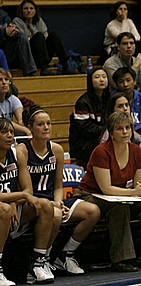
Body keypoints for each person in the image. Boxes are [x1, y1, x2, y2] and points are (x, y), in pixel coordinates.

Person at [75, 111, 141, 272]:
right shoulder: (101, 152)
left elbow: (140, 184)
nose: (125, 132)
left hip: (119, 194)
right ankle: (122, 258)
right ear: (111, 132)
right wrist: (134, 192)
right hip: (91, 195)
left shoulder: (136, 150)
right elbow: (106, 188)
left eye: (127, 128)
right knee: (120, 208)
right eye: (119, 129)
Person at [17, 106, 101, 276]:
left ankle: (65, 255)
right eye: (40, 124)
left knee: (92, 211)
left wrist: (58, 202)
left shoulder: (57, 150)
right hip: (31, 203)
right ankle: (40, 260)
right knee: (54, 214)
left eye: (48, 123)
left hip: (52, 200)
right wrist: (53, 205)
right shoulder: (22, 150)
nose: (46, 127)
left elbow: (57, 186)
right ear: (30, 128)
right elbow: (24, 189)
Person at [0, 115, 57, 284]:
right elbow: (25, 194)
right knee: (3, 210)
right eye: (4, 132)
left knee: (45, 205)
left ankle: (38, 263)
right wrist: (21, 197)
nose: (10, 135)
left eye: (11, 131)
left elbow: (29, 189)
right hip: (3, 209)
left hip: (12, 206)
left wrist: (14, 200)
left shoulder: (16, 154)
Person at [102, 32, 141, 115]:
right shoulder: (110, 63)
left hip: (135, 93)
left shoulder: (136, 60)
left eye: (131, 43)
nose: (129, 46)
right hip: (117, 95)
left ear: (135, 46)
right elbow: (119, 85)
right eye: (125, 44)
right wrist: (135, 66)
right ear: (118, 47)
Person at [12, 0, 72, 75]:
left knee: (53, 36)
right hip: (29, 56)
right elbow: (23, 40)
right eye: (25, 9)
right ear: (21, 11)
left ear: (35, 10)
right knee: (38, 36)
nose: (29, 11)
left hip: (43, 54)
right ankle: (44, 68)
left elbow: (46, 37)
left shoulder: (39, 20)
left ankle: (66, 66)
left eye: (31, 8)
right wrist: (36, 39)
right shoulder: (17, 21)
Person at [70, 68, 110, 164]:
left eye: (104, 77)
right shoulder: (83, 102)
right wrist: (106, 131)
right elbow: (84, 128)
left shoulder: (109, 99)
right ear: (90, 81)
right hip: (84, 143)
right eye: (97, 77)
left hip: (103, 138)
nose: (101, 79)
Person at [111, 66, 141, 142]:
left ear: (134, 81)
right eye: (121, 82)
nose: (125, 84)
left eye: (128, 80)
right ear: (116, 85)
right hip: (125, 136)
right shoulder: (114, 100)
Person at [0, 0, 35, 76]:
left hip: (5, 52)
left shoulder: (5, 17)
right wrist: (4, 32)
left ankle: (30, 71)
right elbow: (4, 33)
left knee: (21, 36)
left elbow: (7, 37)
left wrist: (13, 32)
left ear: (1, 3)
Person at [0, 69, 29, 136]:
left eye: (6, 79)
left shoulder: (13, 99)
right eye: (0, 80)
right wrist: (26, 130)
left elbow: (21, 119)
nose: (4, 82)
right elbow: (3, 124)